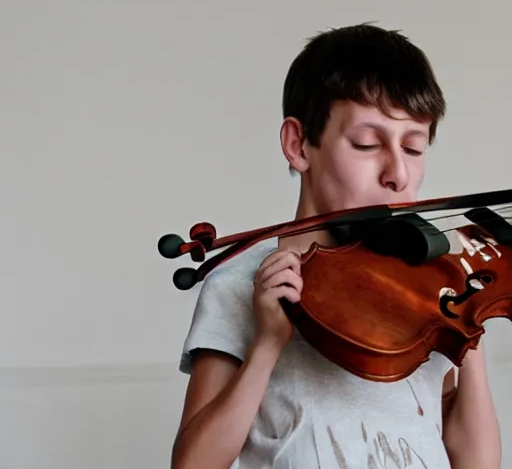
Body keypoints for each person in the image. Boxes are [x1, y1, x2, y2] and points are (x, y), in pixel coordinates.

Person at [170, 23, 502, 468]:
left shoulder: (430, 290)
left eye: (414, 148)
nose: (398, 174)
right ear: (298, 144)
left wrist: (469, 325)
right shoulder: (241, 286)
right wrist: (267, 345)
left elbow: (477, 463)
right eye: (367, 143)